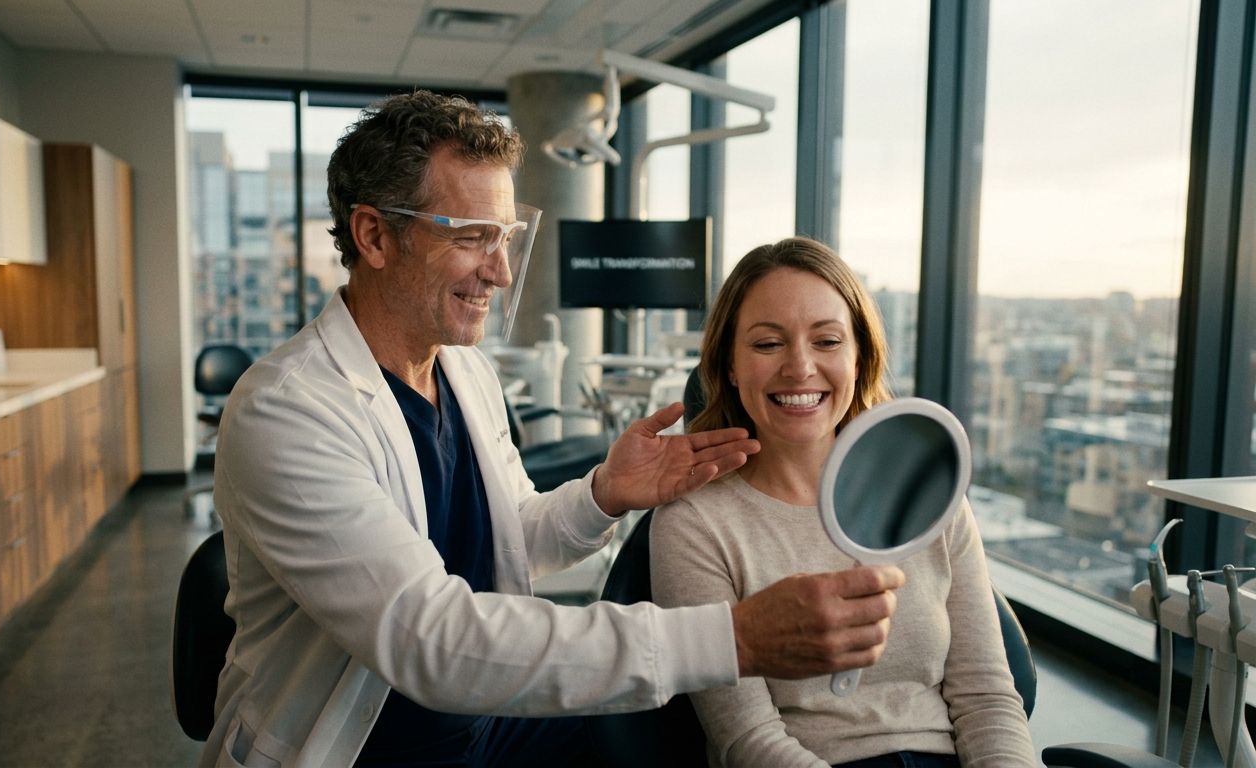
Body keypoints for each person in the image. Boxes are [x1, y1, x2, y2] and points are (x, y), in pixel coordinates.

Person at [200, 91, 906, 768]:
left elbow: (510, 537)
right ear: (374, 235)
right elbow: (432, 642)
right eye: (474, 238)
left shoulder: (463, 373)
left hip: (486, 724)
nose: (501, 272)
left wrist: (604, 494)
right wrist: (734, 637)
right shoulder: (287, 412)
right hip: (366, 750)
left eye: (506, 237)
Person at [651, 237, 1036, 768]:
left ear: (860, 357)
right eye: (767, 345)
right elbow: (746, 738)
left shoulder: (926, 495)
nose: (800, 367)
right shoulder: (694, 523)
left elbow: (988, 697)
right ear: (730, 365)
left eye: (828, 341)